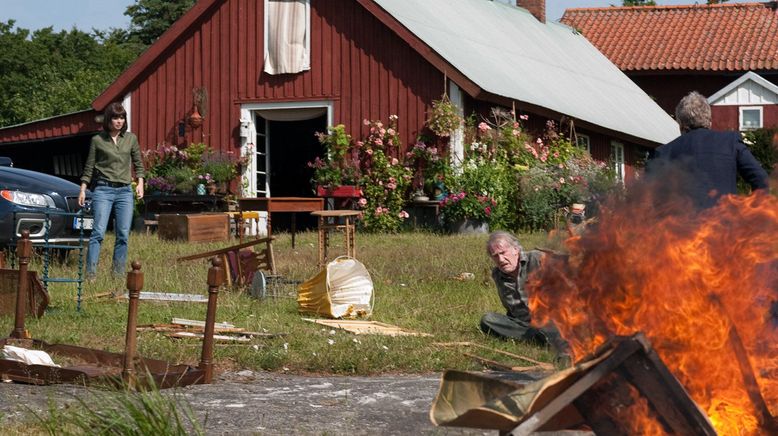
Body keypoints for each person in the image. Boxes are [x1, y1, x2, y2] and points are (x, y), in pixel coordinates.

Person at [651, 91, 768, 209]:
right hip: (726, 223)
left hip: (679, 225)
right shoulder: (730, 143)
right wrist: (753, 212)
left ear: (681, 124)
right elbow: (761, 179)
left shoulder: (664, 152)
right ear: (710, 122)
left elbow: (647, 197)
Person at [79, 102, 145, 279]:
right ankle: (91, 275)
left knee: (123, 234)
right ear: (108, 119)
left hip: (124, 192)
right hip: (103, 190)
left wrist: (140, 183)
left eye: (122, 117)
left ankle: (117, 275)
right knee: (98, 233)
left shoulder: (131, 139)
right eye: (115, 117)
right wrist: (83, 189)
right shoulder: (97, 140)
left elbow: (138, 163)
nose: (119, 121)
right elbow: (89, 167)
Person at [481, 231, 570, 361]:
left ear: (516, 249)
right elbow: (510, 308)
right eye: (495, 256)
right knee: (488, 320)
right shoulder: (498, 275)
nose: (500, 259)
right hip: (525, 326)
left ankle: (564, 352)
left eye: (503, 253)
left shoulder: (537, 259)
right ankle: (539, 338)